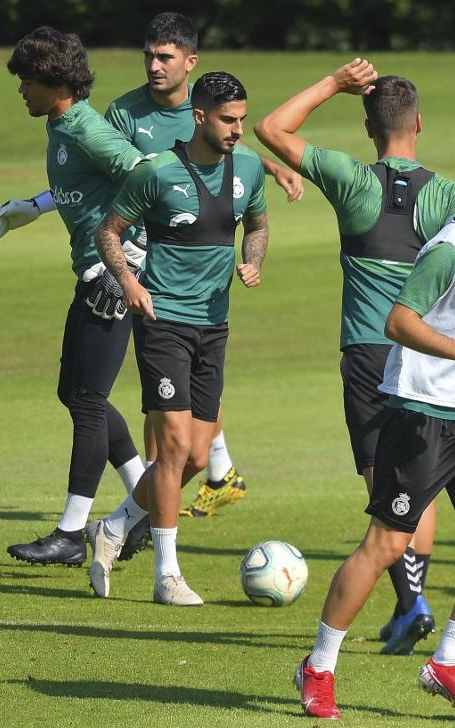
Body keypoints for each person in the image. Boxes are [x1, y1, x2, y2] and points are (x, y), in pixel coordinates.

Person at [294, 136, 455, 720]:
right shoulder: (447, 250)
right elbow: (399, 320)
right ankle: (320, 665)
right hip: (420, 416)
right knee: (386, 546)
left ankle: (448, 663)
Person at [255, 59, 455, 655]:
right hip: (427, 354)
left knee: (385, 489)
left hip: (370, 354)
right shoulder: (450, 194)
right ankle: (412, 605)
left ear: (370, 129)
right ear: (419, 124)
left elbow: (271, 128)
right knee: (416, 486)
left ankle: (413, 605)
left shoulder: (352, 179)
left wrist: (332, 83)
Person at [103, 12, 304, 529]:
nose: (153, 65)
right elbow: (119, 196)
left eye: (165, 56)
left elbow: (228, 166)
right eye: (148, 54)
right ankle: (162, 550)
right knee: (168, 438)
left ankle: (126, 519)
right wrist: (124, 274)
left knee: (185, 450)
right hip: (155, 285)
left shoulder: (229, 141)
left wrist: (253, 256)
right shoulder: (126, 116)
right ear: (199, 115)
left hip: (212, 311)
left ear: (190, 63)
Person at [84, 71, 269, 605]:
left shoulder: (250, 167)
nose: (238, 129)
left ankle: (113, 528)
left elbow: (256, 224)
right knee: (171, 452)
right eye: (228, 120)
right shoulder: (159, 172)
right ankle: (166, 574)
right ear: (199, 117)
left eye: (242, 119)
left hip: (215, 326)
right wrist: (130, 284)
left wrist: (251, 260)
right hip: (163, 320)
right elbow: (108, 232)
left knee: (193, 458)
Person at [0, 27, 147, 567]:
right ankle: (145, 500)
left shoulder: (85, 128)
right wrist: (33, 207)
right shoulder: (62, 125)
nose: (21, 92)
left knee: (86, 401)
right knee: (76, 393)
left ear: (54, 83)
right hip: (91, 274)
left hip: (111, 277)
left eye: (27, 82)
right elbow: (81, 189)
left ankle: (70, 534)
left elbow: (146, 177)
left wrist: (131, 259)